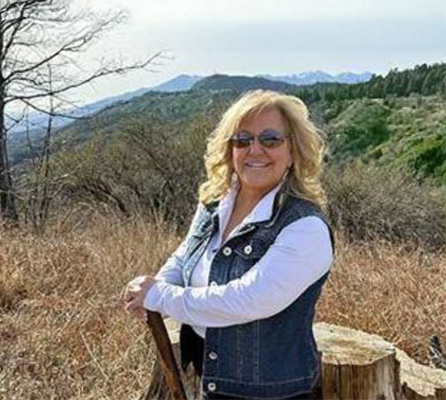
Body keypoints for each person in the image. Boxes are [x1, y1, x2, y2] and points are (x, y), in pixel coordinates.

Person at [123, 90, 334, 400]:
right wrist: (158, 284)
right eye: (243, 140)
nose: (255, 150)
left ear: (293, 151)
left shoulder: (305, 227)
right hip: (209, 373)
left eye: (271, 139)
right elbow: (185, 256)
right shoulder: (214, 203)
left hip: (267, 392)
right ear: (230, 150)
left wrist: (160, 296)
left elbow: (249, 298)